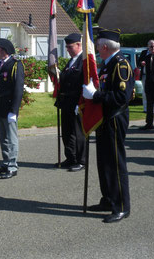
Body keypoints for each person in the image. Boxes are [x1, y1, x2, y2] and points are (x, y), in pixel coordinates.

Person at [83, 28, 134, 223]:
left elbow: (121, 97)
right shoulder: (107, 65)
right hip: (104, 119)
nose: (96, 48)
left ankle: (121, 206)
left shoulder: (120, 65)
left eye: (97, 45)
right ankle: (108, 199)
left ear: (105, 46)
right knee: (103, 162)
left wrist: (95, 96)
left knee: (115, 163)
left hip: (115, 117)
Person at [0, 38, 24, 179]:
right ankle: (6, 162)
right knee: (3, 137)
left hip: (9, 108)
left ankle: (13, 166)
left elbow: (18, 89)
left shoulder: (15, 65)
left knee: (11, 138)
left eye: (0, 49)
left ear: (6, 51)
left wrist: (14, 111)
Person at [55, 33, 85, 172]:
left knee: (77, 132)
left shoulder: (84, 61)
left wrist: (80, 103)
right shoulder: (72, 61)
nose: (67, 49)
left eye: (70, 46)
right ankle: (71, 157)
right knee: (66, 132)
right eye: (66, 47)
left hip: (77, 102)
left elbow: (85, 83)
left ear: (79, 45)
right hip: (66, 101)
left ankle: (81, 160)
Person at [140, 40, 154, 130]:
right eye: (151, 47)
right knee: (149, 104)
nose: (153, 48)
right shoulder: (147, 57)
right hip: (149, 84)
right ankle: (149, 123)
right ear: (148, 47)